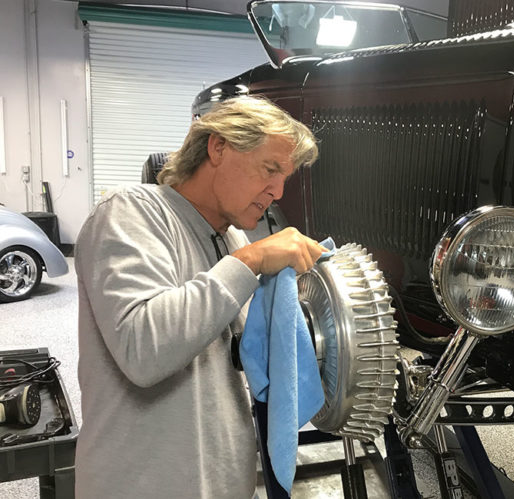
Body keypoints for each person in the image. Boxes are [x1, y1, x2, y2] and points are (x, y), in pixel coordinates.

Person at [74, 96, 325, 498]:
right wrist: (251, 260)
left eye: (284, 178)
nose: (277, 191)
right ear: (218, 146)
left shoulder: (232, 238)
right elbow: (144, 349)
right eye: (270, 168)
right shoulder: (130, 212)